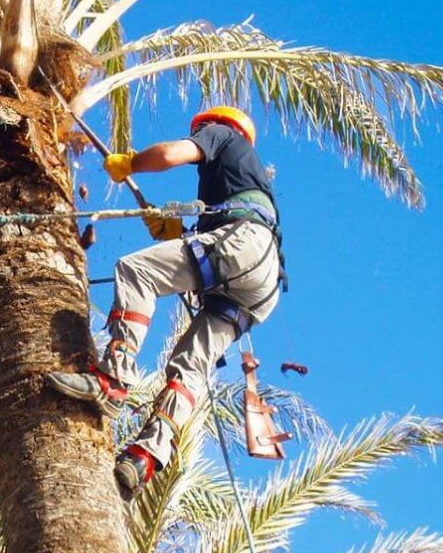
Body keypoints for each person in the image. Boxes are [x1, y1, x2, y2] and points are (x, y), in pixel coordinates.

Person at [47, 106, 285, 500]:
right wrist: (178, 230)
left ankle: (112, 379)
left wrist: (132, 163)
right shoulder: (244, 177)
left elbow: (173, 154)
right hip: (262, 286)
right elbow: (224, 221)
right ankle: (145, 457)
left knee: (135, 271)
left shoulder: (223, 135)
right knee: (190, 364)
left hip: (245, 245)